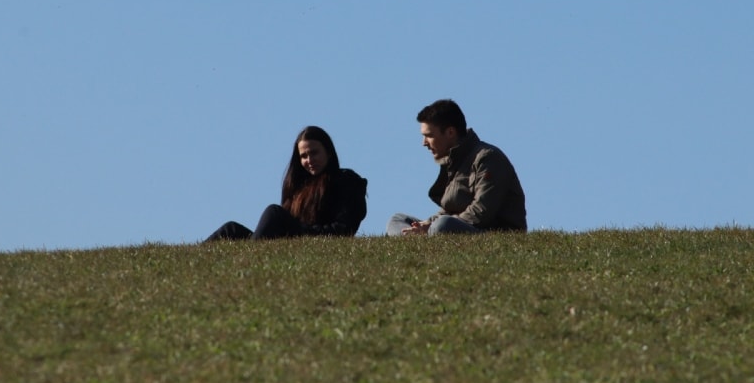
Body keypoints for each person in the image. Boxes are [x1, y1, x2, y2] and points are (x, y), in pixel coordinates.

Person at [387, 99, 526, 236]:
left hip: (491, 233)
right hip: (454, 226)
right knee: (398, 220)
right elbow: (449, 209)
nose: (424, 143)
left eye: (429, 136)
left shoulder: (488, 158)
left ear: (450, 132)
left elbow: (482, 212)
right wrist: (425, 224)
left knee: (442, 226)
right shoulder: (454, 162)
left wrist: (430, 228)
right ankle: (415, 238)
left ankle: (420, 238)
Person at [205, 126, 367, 241]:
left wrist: (299, 230)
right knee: (231, 230)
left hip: (313, 238)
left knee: (274, 213)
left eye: (314, 153)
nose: (309, 160)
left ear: (329, 152)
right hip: (291, 237)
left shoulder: (346, 180)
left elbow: (344, 229)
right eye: (304, 156)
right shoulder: (299, 186)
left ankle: (250, 258)